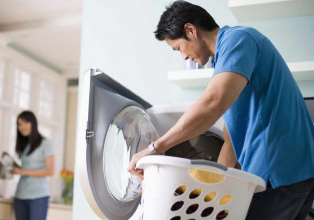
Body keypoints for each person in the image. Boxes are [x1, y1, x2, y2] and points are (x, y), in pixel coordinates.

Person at [127, 1, 314, 219]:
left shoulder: (239, 39)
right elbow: (231, 140)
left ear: (190, 30)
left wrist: (155, 148)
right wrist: (216, 195)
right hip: (294, 172)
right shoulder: (227, 64)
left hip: (279, 169)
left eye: (178, 48)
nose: (184, 57)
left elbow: (212, 103)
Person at [10, 111, 55, 220]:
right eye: (19, 124)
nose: (22, 127)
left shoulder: (46, 143)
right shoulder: (25, 146)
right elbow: (27, 169)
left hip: (38, 197)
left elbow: (50, 171)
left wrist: (22, 172)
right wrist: (14, 166)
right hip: (20, 195)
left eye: (25, 123)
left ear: (33, 123)